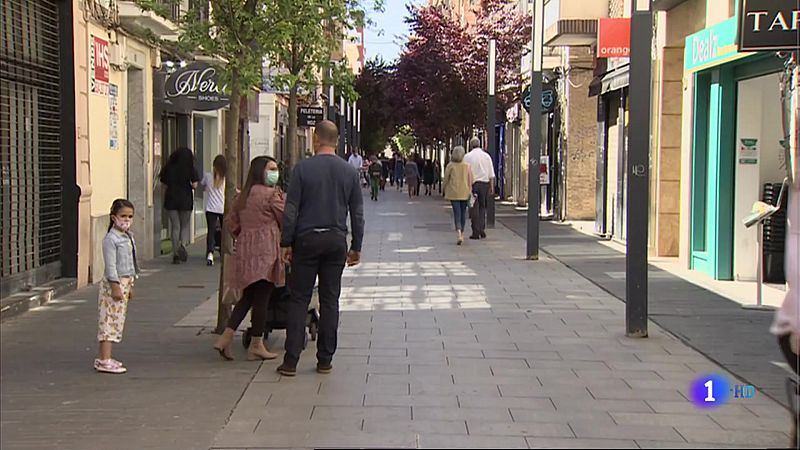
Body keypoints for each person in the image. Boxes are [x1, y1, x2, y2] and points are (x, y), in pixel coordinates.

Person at [277, 120, 364, 377]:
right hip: (336, 240)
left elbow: (291, 209)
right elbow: (357, 213)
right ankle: (325, 359)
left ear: (316, 139)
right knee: (330, 299)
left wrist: (286, 242)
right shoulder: (349, 172)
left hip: (306, 240)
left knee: (299, 298)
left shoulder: (302, 169)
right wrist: (356, 246)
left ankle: (291, 360)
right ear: (336, 141)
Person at [213, 156, 285, 361]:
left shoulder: (243, 196)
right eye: (271, 168)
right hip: (267, 251)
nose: (275, 172)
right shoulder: (272, 195)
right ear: (261, 171)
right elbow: (285, 217)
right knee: (262, 297)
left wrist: (243, 234)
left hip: (246, 250)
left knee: (248, 297)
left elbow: (230, 222)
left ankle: (225, 339)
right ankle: (256, 344)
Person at [95, 199, 140, 374]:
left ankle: (104, 357)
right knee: (109, 321)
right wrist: (115, 286)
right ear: (114, 217)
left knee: (116, 321)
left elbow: (129, 263)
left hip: (125, 282)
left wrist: (130, 286)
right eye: (123, 216)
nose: (127, 220)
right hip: (115, 283)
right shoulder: (110, 239)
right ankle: (104, 359)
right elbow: (111, 265)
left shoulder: (127, 236)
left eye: (130, 216)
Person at [160, 147, 200, 264]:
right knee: (184, 226)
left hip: (171, 198)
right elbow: (195, 185)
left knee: (175, 226)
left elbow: (163, 183)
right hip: (185, 199)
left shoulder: (169, 168)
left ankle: (175, 252)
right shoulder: (191, 168)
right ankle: (182, 245)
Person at [463, 137, 495, 240]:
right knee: (482, 206)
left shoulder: (467, 157)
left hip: (472, 184)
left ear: (471, 145)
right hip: (484, 184)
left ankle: (475, 231)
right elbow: (491, 174)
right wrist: (492, 187)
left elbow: (465, 173)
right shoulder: (486, 156)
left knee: (473, 207)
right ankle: (482, 228)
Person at [444, 146, 474, 246]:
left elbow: (446, 179)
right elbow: (471, 180)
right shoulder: (467, 166)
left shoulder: (450, 165)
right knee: (463, 214)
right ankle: (462, 233)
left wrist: (444, 188)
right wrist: (470, 190)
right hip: (464, 193)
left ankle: (459, 233)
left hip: (454, 193)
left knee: (456, 213)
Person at [201, 155, 226, 266]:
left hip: (210, 208)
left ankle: (210, 253)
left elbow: (202, 185)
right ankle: (223, 251)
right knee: (224, 231)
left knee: (211, 231)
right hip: (222, 208)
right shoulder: (226, 178)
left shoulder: (208, 176)